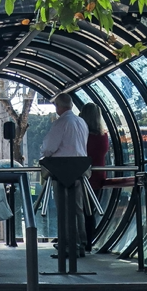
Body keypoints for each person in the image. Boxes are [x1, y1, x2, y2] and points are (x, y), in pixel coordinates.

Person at [41, 94, 89, 257]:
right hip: (80, 168)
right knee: (77, 208)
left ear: (58, 106)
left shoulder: (61, 123)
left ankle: (67, 244)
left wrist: (45, 153)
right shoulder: (81, 122)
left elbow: (49, 148)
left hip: (62, 170)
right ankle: (80, 243)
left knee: (64, 208)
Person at [80, 102, 109, 250]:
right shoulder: (103, 136)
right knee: (90, 211)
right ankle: (89, 241)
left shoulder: (84, 136)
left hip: (83, 176)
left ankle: (82, 241)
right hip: (99, 176)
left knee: (80, 210)